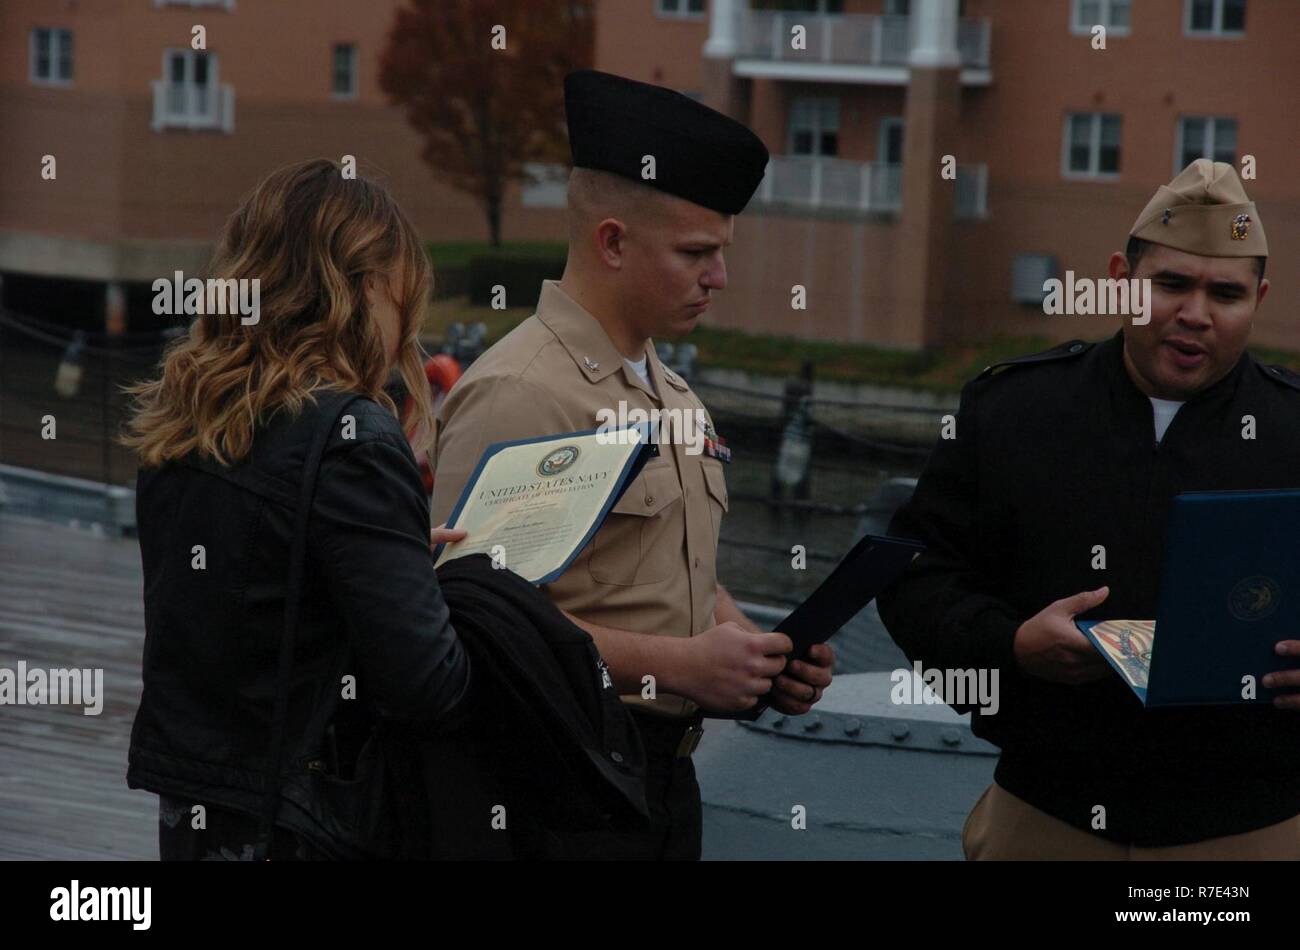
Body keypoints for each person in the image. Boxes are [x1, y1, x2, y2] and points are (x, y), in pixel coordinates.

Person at [430, 69, 835, 860]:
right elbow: (468, 621)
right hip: (550, 789)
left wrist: (752, 652)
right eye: (695, 253)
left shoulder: (672, 393)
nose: (718, 277)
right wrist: (685, 665)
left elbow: (668, 571)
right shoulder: (521, 392)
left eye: (720, 253)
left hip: (659, 786)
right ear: (612, 241)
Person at [878, 159, 1300, 859]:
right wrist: (1011, 645)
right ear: (1120, 278)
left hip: (1249, 826)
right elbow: (917, 576)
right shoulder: (1014, 410)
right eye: (1170, 284)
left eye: (1225, 293)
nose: (1194, 313)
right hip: (1048, 814)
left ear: (1259, 298)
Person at [121, 158, 472, 860]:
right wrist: (457, 587)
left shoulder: (188, 420)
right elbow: (430, 684)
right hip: (306, 824)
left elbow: (249, 594)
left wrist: (389, 558)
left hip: (198, 811)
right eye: (404, 298)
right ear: (368, 287)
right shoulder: (354, 439)